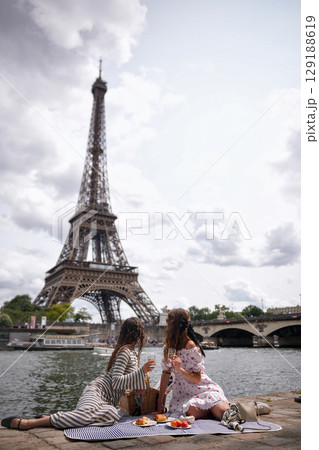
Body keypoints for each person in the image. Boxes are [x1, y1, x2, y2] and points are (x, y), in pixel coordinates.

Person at [2, 317, 155, 430]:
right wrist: (141, 372)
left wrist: (139, 384)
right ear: (138, 335)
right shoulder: (125, 352)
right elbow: (115, 382)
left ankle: (54, 417)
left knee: (112, 414)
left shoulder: (132, 354)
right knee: (90, 414)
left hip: (107, 401)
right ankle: (35, 422)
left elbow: (127, 382)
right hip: (98, 390)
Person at [157, 308, 232, 422]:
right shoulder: (168, 347)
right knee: (191, 410)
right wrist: (160, 401)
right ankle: (218, 409)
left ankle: (220, 408)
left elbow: (197, 379)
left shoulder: (190, 346)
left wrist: (179, 369)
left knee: (222, 412)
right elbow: (166, 373)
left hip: (202, 389)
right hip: (183, 394)